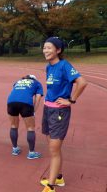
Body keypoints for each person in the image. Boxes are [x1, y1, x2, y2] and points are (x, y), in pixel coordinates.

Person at [40, 37, 87, 192]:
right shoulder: (48, 67)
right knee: (53, 147)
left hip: (59, 111)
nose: (45, 50)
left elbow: (82, 82)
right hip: (48, 109)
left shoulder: (64, 65)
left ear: (58, 50)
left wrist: (71, 100)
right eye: (44, 47)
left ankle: (51, 186)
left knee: (54, 149)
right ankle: (58, 177)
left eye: (49, 48)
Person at [7, 74, 43, 159]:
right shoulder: (37, 83)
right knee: (30, 128)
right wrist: (34, 110)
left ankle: (15, 149)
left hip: (11, 102)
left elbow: (15, 92)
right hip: (26, 103)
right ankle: (31, 153)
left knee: (13, 126)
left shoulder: (18, 81)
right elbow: (38, 97)